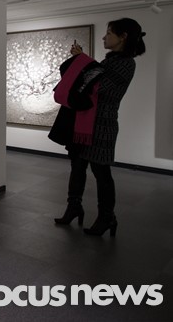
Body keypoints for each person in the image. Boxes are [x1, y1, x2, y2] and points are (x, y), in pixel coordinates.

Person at [52, 18, 146, 236]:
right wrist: (81, 60)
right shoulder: (108, 61)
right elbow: (90, 78)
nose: (104, 37)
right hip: (85, 123)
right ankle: (74, 207)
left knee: (101, 172)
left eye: (109, 33)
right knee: (77, 166)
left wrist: (82, 60)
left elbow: (96, 86)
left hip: (102, 126)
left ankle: (107, 217)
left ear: (123, 37)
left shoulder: (126, 63)